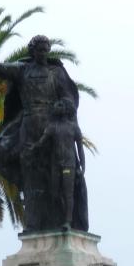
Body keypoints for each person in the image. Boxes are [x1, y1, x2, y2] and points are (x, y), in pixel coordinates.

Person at [0, 34, 84, 231]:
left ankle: (62, 221)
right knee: (31, 177)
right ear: (32, 51)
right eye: (39, 50)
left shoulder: (56, 73)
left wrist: (64, 107)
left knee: (56, 176)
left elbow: (68, 98)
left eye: (46, 50)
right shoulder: (22, 70)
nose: (43, 53)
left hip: (53, 130)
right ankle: (33, 223)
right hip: (29, 126)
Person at [28, 98, 87, 230]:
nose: (56, 106)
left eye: (60, 105)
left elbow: (80, 149)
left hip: (69, 164)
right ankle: (59, 218)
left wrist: (83, 167)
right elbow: (41, 142)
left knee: (68, 193)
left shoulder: (74, 127)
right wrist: (32, 148)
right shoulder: (52, 126)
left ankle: (68, 221)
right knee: (54, 192)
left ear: (66, 109)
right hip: (56, 164)